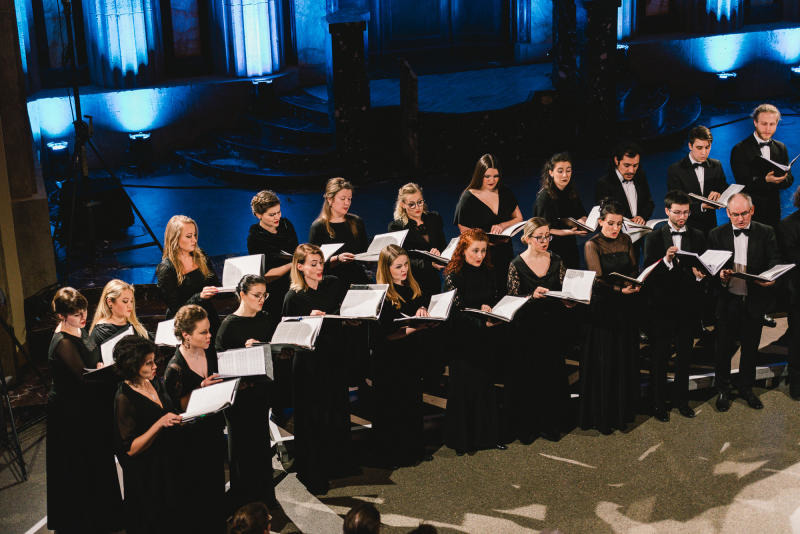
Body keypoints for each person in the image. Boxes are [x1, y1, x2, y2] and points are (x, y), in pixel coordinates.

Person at [46, 287, 124, 532]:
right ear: (61, 316)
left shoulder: (79, 331)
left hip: (87, 408)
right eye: (76, 314)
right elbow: (83, 379)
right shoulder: (62, 342)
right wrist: (107, 371)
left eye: (84, 311)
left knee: (96, 462)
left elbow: (89, 363)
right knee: (79, 467)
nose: (83, 317)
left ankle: (103, 515)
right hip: (71, 415)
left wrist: (99, 365)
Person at [282, 243, 352, 493]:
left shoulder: (332, 284)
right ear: (300, 267)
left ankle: (338, 464)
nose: (320, 268)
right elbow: (287, 337)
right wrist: (306, 321)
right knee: (312, 416)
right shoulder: (294, 297)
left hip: (333, 357)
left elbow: (345, 310)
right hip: (308, 365)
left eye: (321, 262)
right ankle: (313, 470)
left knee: (335, 409)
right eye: (313, 264)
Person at [708, 193, 781, 412]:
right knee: (723, 348)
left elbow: (775, 260)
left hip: (754, 300)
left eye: (744, 213)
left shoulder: (766, 232)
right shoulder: (716, 234)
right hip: (727, 300)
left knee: (750, 347)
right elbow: (709, 267)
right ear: (727, 213)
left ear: (752, 210)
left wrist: (771, 277)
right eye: (735, 214)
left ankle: (746, 388)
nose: (740, 219)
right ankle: (722, 390)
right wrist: (720, 276)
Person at [505, 218, 571, 443]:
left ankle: (551, 424)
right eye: (539, 237)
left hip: (552, 327)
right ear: (526, 239)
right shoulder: (516, 264)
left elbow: (564, 291)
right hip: (528, 331)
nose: (544, 241)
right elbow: (512, 300)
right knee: (530, 378)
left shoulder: (557, 260)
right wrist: (530, 296)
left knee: (551, 376)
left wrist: (569, 300)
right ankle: (529, 427)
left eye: (547, 236)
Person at [643, 191, 707, 421]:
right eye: (677, 212)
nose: (682, 217)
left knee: (684, 357)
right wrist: (667, 262)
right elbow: (648, 273)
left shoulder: (698, 235)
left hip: (687, 306)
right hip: (662, 307)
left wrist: (700, 276)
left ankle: (682, 401)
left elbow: (703, 268)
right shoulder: (654, 236)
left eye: (686, 212)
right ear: (667, 211)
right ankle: (658, 403)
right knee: (659, 357)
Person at [579, 199, 642, 434]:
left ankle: (623, 412)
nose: (615, 228)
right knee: (607, 361)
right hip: (604, 309)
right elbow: (598, 280)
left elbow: (634, 268)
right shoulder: (592, 245)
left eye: (618, 224)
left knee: (624, 357)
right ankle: (605, 416)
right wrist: (619, 289)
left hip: (625, 307)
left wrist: (634, 282)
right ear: (601, 222)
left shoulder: (626, 240)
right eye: (611, 224)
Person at [443, 229, 507, 454]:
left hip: (485, 338)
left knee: (484, 386)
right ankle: (463, 440)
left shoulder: (489, 271)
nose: (480, 256)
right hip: (463, 340)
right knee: (464, 389)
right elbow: (455, 312)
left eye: (483, 250)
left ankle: (487, 437)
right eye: (475, 251)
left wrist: (492, 311)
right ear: (463, 251)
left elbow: (495, 298)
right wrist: (481, 320)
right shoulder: (453, 275)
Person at [164, 304, 226, 533]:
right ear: (186, 336)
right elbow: (177, 408)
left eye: (209, 330)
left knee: (214, 483)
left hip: (211, 429)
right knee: (196, 488)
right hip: (190, 439)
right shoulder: (175, 368)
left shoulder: (207, 351)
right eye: (203, 332)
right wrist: (201, 388)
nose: (210, 335)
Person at [215, 274, 276, 506]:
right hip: (239, 397)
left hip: (260, 393)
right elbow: (220, 363)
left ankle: (264, 497)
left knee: (260, 445)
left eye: (264, 295)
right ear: (242, 295)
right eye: (257, 295)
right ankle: (244, 502)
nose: (262, 300)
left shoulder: (266, 319)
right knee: (242, 448)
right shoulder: (229, 325)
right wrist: (244, 350)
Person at [113, 335, 183, 534]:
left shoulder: (153, 382)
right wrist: (159, 424)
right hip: (147, 477)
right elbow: (131, 449)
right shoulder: (124, 398)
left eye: (154, 361)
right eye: (148, 363)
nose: (155, 367)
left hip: (167, 466)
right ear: (132, 366)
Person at [373, 245, 432, 467]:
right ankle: (393, 453)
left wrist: (423, 311)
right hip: (389, 360)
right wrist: (415, 328)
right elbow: (385, 335)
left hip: (410, 355)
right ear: (387, 268)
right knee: (393, 406)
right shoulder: (382, 294)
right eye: (398, 266)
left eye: (406, 264)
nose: (404, 270)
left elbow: (419, 306)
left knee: (412, 401)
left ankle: (415, 448)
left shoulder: (413, 287)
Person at [453, 153, 523, 286]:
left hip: (505, 251)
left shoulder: (505, 192)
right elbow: (464, 233)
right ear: (480, 175)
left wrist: (502, 225)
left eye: (496, 176)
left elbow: (519, 218)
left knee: (505, 291)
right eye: (487, 176)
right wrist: (485, 242)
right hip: (482, 256)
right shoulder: (468, 198)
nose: (492, 180)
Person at [731, 103, 794, 229]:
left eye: (772, 124)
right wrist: (765, 180)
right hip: (750, 211)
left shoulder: (780, 147)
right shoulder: (740, 149)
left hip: (773, 209)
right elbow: (742, 182)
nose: (768, 128)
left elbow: (789, 179)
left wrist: (782, 179)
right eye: (764, 124)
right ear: (755, 123)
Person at [156, 214, 221, 334]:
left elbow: (215, 284)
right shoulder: (166, 269)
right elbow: (177, 309)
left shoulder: (200, 256)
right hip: (185, 325)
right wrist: (200, 297)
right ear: (175, 238)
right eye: (188, 236)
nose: (194, 240)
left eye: (195, 235)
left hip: (207, 317)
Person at [246, 190, 299, 330]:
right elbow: (265, 276)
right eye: (271, 214)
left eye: (278, 212)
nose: (277, 217)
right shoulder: (255, 238)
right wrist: (293, 263)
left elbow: (296, 251)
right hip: (274, 292)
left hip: (295, 283)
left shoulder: (286, 225)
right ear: (259, 215)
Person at [666, 126, 728, 236]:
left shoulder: (716, 165)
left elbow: (723, 186)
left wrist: (719, 193)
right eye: (699, 148)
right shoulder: (675, 170)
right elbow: (675, 202)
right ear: (690, 146)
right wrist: (701, 206)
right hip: (687, 227)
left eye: (707, 147)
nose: (704, 152)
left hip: (710, 227)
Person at [388, 182, 447, 296]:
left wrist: (439, 254)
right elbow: (401, 260)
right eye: (412, 204)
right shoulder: (397, 227)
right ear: (403, 204)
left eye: (420, 202)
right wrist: (430, 264)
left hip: (433, 280)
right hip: (412, 282)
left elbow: (442, 245)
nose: (417, 207)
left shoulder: (434, 218)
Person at [309, 177, 369, 286]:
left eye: (349, 199)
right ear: (330, 199)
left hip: (358, 279)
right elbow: (313, 263)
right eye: (343, 199)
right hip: (332, 283)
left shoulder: (356, 222)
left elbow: (364, 252)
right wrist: (337, 259)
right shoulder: (318, 227)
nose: (347, 203)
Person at [533, 152, 589, 268]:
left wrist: (583, 222)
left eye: (568, 170)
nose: (565, 175)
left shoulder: (571, 191)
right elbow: (543, 229)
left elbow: (582, 213)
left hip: (570, 245)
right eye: (560, 171)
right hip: (550, 247)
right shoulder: (544, 197)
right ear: (551, 172)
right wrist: (570, 232)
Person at [594, 142, 654, 225]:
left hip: (639, 230)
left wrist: (641, 217)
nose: (631, 171)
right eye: (627, 165)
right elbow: (605, 214)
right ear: (616, 160)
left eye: (635, 165)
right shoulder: (604, 183)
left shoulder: (640, 176)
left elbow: (649, 203)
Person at [779, 187, 800, 400]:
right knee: (797, 339)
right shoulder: (788, 226)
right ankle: (796, 383)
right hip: (798, 291)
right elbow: (794, 262)